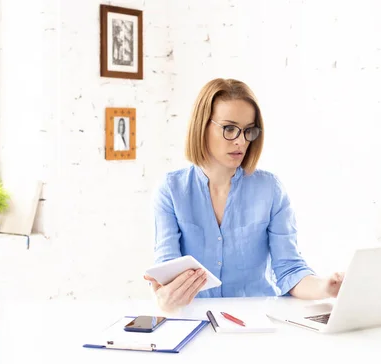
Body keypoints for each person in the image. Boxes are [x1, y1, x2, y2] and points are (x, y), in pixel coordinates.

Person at [144, 78, 344, 312]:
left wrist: (325, 288)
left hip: (258, 321)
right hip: (195, 320)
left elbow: (289, 270)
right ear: (202, 126)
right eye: (229, 129)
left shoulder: (270, 189)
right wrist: (166, 297)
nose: (241, 140)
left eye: (249, 131)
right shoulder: (171, 190)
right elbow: (167, 271)